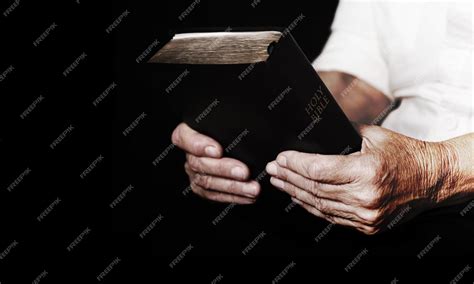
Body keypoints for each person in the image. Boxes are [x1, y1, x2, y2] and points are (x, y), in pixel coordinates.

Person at [171, 0, 473, 234]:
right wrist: (244, 120)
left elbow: (432, 171)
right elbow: (361, 85)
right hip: (382, 200)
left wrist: (437, 169)